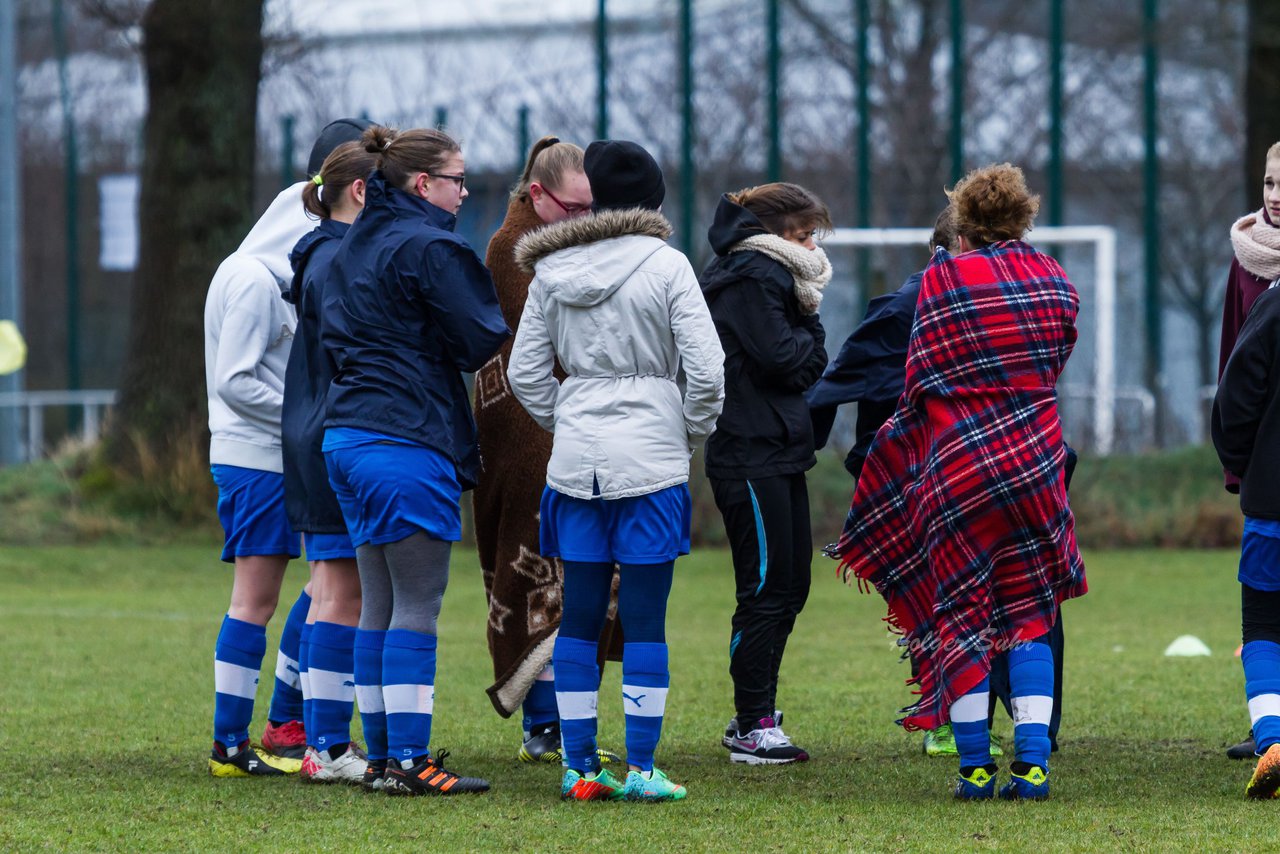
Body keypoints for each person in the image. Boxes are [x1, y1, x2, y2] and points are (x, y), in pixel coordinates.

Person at [831, 163, 1085, 801]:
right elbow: (1057, 357)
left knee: (962, 616)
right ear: (1022, 217)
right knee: (1029, 614)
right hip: (1034, 464)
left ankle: (974, 769)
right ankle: (1032, 766)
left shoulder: (942, 281)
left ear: (963, 226)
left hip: (960, 473)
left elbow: (918, 379)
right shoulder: (1055, 279)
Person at [507, 140, 725, 802]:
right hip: (651, 461)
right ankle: (641, 768)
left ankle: (578, 768)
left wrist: (565, 416)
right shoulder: (668, 265)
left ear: (594, 196)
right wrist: (687, 429)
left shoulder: (549, 268)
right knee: (645, 618)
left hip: (575, 464)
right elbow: (708, 371)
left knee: (576, 616)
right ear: (655, 199)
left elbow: (523, 373)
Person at [319, 124, 510, 796]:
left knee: (379, 601)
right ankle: (410, 759)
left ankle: (380, 758)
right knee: (418, 605)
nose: (465, 191)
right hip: (405, 437)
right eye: (459, 179)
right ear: (424, 183)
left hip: (345, 436)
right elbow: (480, 338)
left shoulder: (355, 239)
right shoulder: (430, 244)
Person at [204, 119, 369, 778]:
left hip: (288, 454)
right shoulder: (252, 276)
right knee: (255, 599)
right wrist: (305, 417)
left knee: (321, 585)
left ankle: (286, 723)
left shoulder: (297, 262)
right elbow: (235, 380)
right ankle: (228, 745)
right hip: (255, 458)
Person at [473, 136, 619, 766]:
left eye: (592, 209)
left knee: (576, 574)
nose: (584, 221)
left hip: (571, 430)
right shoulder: (511, 249)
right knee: (531, 571)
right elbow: (544, 338)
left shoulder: (568, 243)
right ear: (537, 195)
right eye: (573, 208)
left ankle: (566, 718)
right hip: (525, 436)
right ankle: (545, 719)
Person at [697, 182, 830, 765]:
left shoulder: (775, 277)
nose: (810, 245)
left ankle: (758, 711)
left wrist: (807, 341)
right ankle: (750, 723)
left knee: (791, 585)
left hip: (777, 449)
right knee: (765, 588)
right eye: (803, 235)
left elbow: (795, 358)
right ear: (774, 233)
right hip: (748, 453)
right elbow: (789, 361)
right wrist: (814, 337)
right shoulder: (751, 276)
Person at [283, 138, 378, 785]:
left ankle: (325, 742)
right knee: (341, 593)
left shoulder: (321, 254)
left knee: (332, 591)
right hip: (331, 436)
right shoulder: (336, 259)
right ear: (363, 193)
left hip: (313, 433)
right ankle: (328, 745)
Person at [1218, 141, 1280, 760]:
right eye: (1268, 182)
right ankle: (1269, 731)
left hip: (1271, 472)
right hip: (1265, 463)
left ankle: (1273, 733)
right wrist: (1238, 457)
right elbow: (1234, 365)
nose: (1275, 194)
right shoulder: (1246, 260)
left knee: (1262, 617)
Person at [1212, 265, 1280, 799]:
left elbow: (1236, 395)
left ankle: (1273, 740)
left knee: (1261, 621)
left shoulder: (1273, 304)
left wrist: (1245, 463)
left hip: (1272, 499)